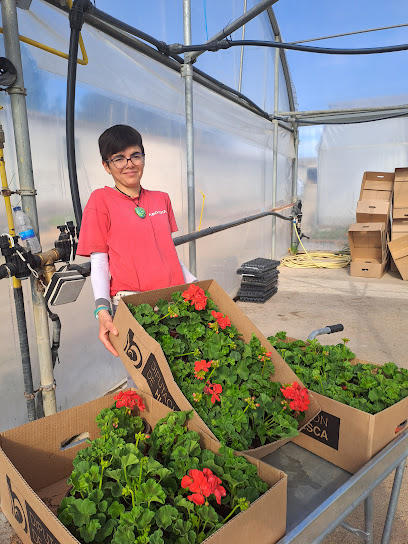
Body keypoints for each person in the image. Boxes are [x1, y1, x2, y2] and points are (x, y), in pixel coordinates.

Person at [76, 124, 196, 356]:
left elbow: (168, 254)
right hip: (132, 304)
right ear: (106, 166)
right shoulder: (101, 200)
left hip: (173, 299)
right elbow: (100, 262)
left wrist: (197, 285)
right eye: (118, 158)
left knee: (182, 366)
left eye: (135, 156)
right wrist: (102, 309)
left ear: (143, 157)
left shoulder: (161, 199)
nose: (129, 164)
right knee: (148, 375)